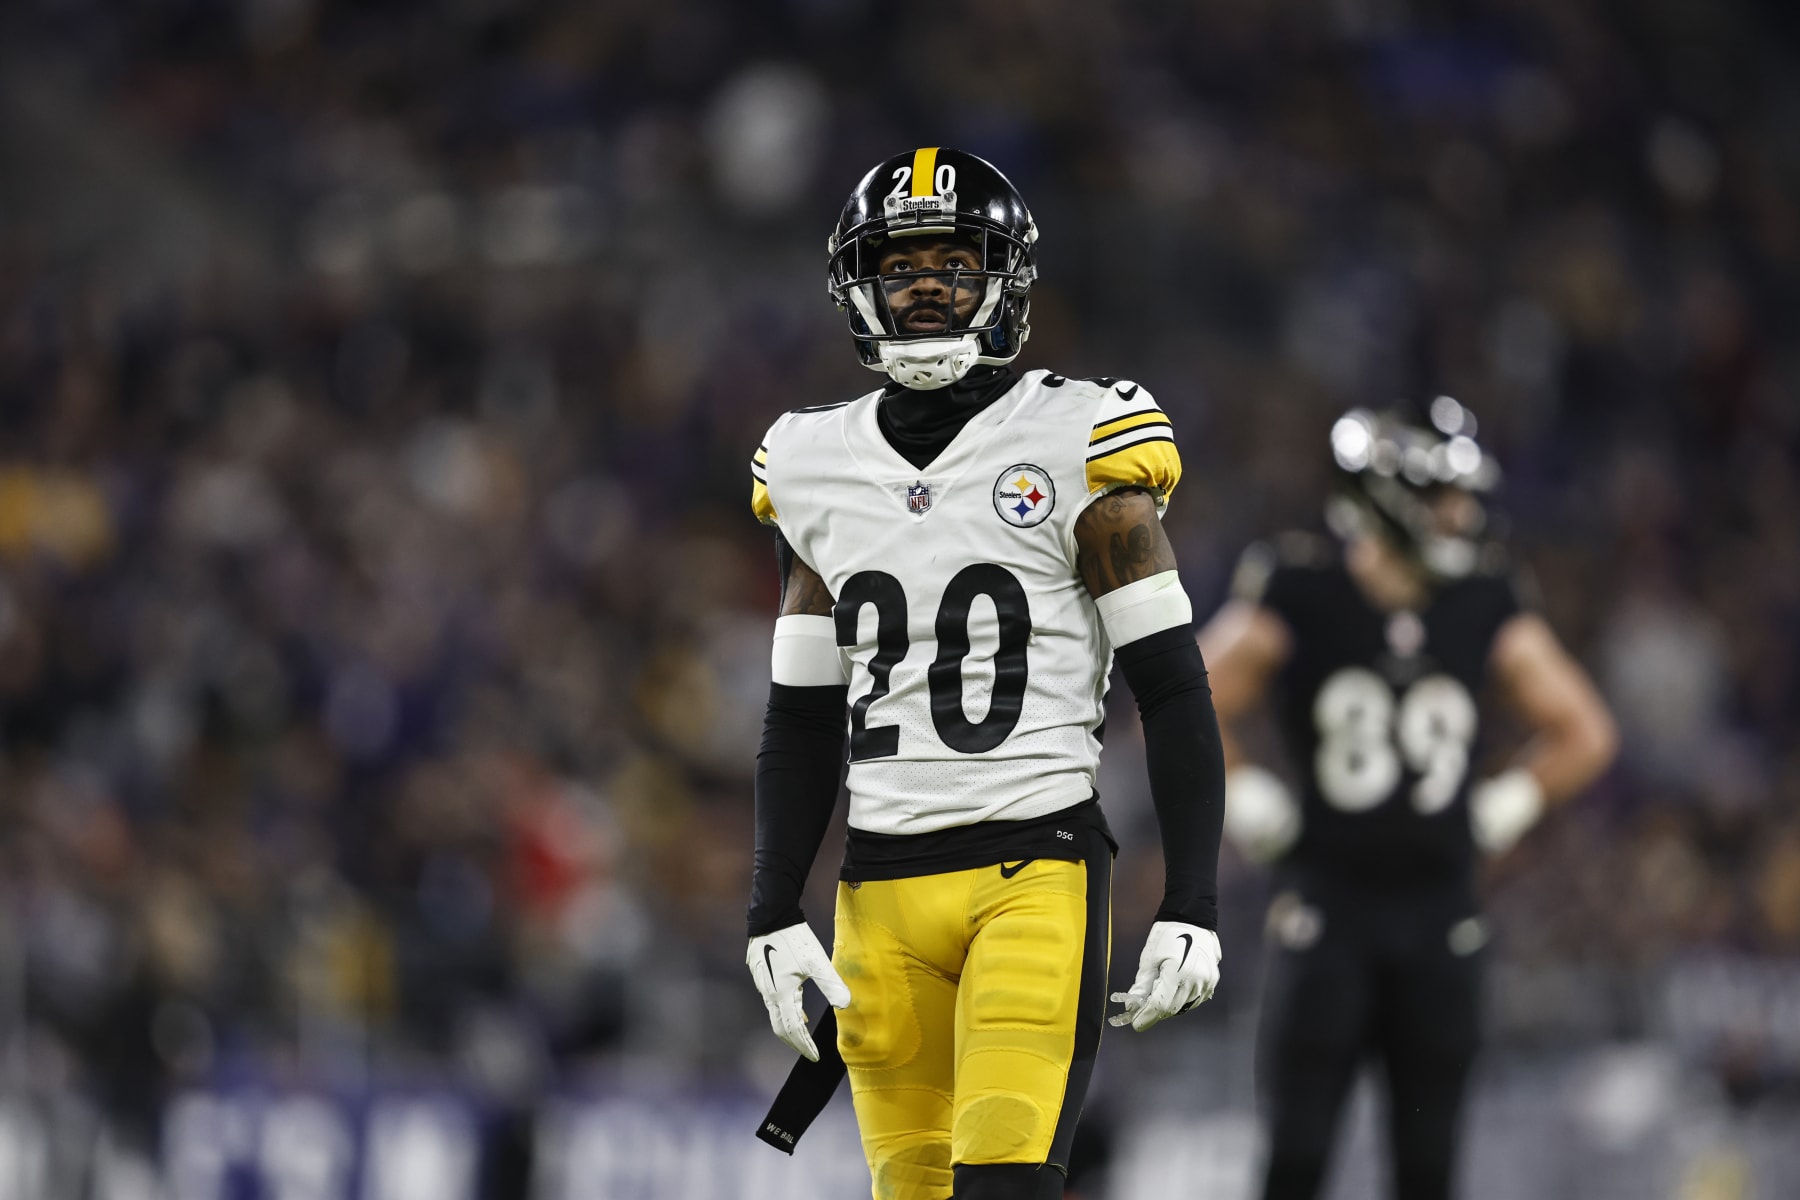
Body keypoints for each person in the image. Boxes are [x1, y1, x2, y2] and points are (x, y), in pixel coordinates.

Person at [742, 147, 1227, 1200]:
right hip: (877, 895)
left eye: (953, 262)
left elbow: (1175, 688)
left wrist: (1191, 897)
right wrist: (773, 903)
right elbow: (802, 717)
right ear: (856, 283)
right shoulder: (809, 462)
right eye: (900, 263)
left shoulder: (1080, 438)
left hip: (1034, 871)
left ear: (1004, 280)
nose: (924, 286)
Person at [1197, 403, 1619, 1200]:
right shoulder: (1302, 588)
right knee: (1294, 1162)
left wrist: (1512, 801)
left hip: (1438, 915)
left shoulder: (1483, 600)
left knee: (1428, 1170)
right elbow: (1184, 699)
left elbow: (1585, 730)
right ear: (1388, 495)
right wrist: (1245, 791)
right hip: (1327, 908)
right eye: (1441, 497)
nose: (1460, 515)